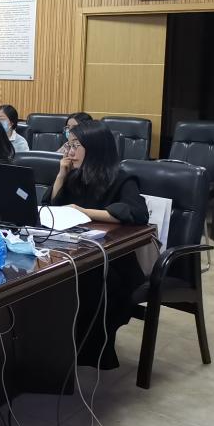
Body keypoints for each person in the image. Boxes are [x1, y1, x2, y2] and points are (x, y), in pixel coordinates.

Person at [49, 120, 148, 369]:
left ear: (94, 148)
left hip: (113, 262)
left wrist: (84, 211)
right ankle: (53, 348)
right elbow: (52, 207)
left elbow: (137, 213)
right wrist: (61, 175)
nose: (69, 152)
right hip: (76, 252)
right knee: (49, 280)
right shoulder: (74, 175)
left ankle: (88, 354)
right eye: (68, 145)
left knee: (89, 282)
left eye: (75, 146)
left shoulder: (121, 178)